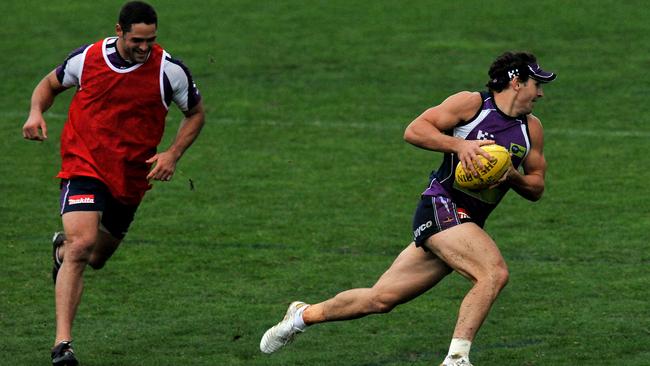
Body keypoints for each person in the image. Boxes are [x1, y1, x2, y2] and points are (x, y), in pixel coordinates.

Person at [259, 51, 555, 366]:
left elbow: (536, 186)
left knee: (380, 299)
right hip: (441, 205)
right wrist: (460, 145)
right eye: (536, 84)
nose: (540, 93)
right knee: (493, 272)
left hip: (467, 222)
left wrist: (511, 175)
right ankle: (456, 359)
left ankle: (302, 315)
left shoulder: (530, 129)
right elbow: (415, 130)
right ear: (516, 82)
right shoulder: (472, 105)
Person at [22, 2, 205, 365]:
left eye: (151, 39)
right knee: (82, 244)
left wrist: (172, 154)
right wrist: (35, 111)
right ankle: (62, 346)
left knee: (97, 256)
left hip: (130, 175)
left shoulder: (169, 71)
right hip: (83, 162)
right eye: (138, 39)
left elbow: (195, 114)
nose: (145, 47)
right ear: (119, 31)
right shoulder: (88, 58)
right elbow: (49, 84)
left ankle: (61, 253)